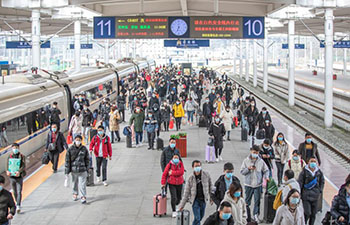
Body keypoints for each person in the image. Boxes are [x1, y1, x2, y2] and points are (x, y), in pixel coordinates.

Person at [240, 145, 270, 222]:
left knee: (257, 201)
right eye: (254, 152)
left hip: (258, 184)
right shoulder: (246, 161)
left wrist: (266, 177)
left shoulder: (261, 161)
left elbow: (266, 170)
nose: (255, 154)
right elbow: (242, 172)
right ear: (251, 151)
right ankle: (246, 215)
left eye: (256, 153)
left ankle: (256, 215)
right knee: (247, 201)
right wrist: (248, 169)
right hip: (248, 184)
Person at [179, 160, 213, 225]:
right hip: (195, 201)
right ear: (193, 167)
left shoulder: (206, 175)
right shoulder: (190, 178)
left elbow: (211, 186)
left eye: (199, 166)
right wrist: (182, 205)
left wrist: (212, 198)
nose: (198, 167)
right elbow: (186, 193)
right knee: (197, 218)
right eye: (196, 166)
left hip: (203, 200)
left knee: (201, 217)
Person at [298, 156, 324, 225]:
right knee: (307, 212)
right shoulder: (304, 172)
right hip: (306, 195)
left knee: (313, 214)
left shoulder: (319, 172)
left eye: (314, 161)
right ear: (308, 162)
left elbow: (322, 181)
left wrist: (320, 190)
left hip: (315, 196)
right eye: (311, 161)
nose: (313, 163)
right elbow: (300, 182)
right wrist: (300, 193)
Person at [64, 135, 89, 204]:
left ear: (81, 141)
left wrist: (87, 168)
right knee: (74, 182)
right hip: (74, 170)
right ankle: (75, 193)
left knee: (82, 184)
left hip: (82, 169)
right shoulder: (70, 149)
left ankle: (83, 196)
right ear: (74, 140)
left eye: (79, 140)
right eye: (76, 139)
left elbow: (87, 159)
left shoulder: (84, 149)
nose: (78, 141)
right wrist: (67, 171)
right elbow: (67, 161)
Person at [6, 143, 25, 213]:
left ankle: (18, 205)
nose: (15, 149)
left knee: (19, 191)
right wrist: (7, 171)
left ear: (18, 148)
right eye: (14, 148)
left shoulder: (21, 156)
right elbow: (7, 165)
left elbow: (23, 166)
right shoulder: (10, 156)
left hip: (19, 176)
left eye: (16, 148)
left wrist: (19, 171)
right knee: (14, 191)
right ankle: (17, 201)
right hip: (12, 177)